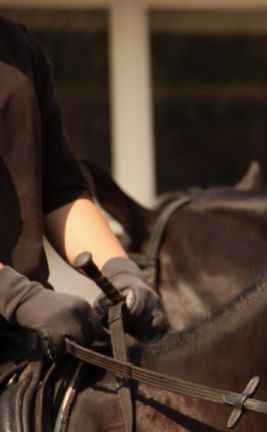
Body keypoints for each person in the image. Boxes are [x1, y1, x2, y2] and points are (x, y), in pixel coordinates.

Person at [0, 17, 166, 359]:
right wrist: (13, 295)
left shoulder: (18, 46)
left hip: (24, 340)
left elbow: (60, 192)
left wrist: (121, 273)